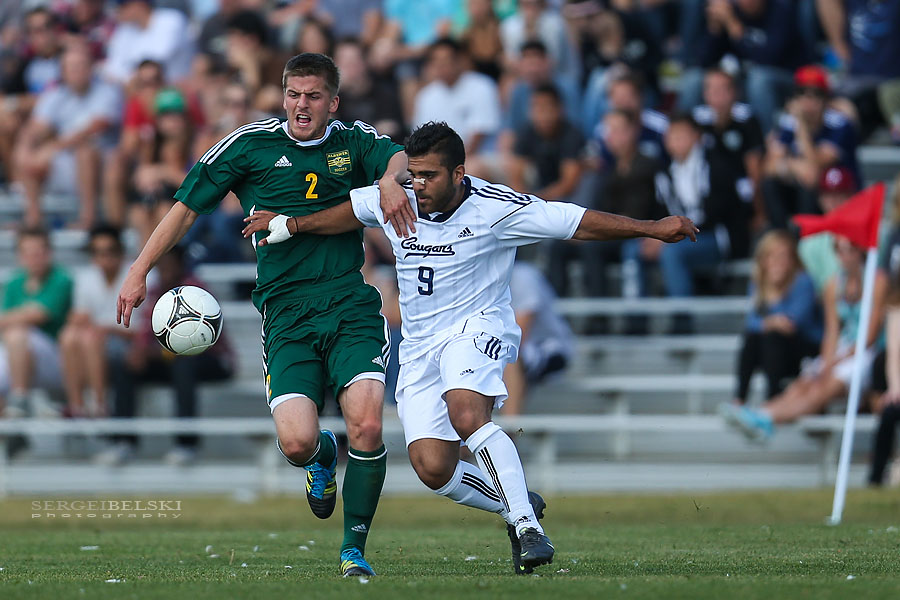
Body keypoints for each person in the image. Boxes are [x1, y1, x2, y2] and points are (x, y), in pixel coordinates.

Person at [242, 121, 697, 574]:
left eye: (429, 176)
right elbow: (347, 211)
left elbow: (574, 223)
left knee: (466, 415)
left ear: (459, 173)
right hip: (420, 346)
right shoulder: (397, 197)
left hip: (475, 327)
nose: (417, 185)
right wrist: (290, 223)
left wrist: (652, 228)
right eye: (413, 174)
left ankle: (526, 527)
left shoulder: (496, 208)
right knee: (432, 467)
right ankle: (516, 501)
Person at [116, 52, 414, 578]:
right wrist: (140, 268)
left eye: (314, 96)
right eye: (294, 94)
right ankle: (322, 456)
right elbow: (186, 206)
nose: (303, 105)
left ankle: (353, 550)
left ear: (333, 102)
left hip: (348, 302)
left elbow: (398, 157)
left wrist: (391, 178)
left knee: (367, 424)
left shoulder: (353, 141)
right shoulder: (249, 145)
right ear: (283, 97)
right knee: (297, 442)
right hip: (286, 316)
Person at [722, 236, 888, 441]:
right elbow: (832, 332)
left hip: (868, 352)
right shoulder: (834, 285)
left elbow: (869, 337)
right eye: (840, 251)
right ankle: (762, 412)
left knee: (823, 388)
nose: (844, 257)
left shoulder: (877, 281)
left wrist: (835, 362)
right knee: (804, 383)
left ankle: (767, 416)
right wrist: (827, 361)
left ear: (860, 252)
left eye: (850, 251)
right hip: (845, 348)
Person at [99, 245, 234, 466]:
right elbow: (145, 331)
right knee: (124, 365)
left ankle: (186, 443)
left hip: (211, 360)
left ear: (180, 264)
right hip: (170, 359)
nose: (165, 269)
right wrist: (139, 353)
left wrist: (152, 353)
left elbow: (198, 341)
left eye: (170, 263)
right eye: (161, 264)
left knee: (184, 364)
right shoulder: (155, 292)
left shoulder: (194, 290)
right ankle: (123, 441)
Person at [762, 65, 859, 230]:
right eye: (801, 93)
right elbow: (768, 167)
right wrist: (793, 165)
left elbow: (814, 171)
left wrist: (801, 125)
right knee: (770, 184)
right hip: (806, 191)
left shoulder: (840, 124)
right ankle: (781, 236)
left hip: (839, 197)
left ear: (825, 99)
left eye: (815, 94)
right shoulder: (788, 123)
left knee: (809, 186)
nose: (808, 100)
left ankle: (804, 237)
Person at [733, 231, 821, 406]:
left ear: (792, 260)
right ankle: (739, 398)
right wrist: (772, 321)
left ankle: (772, 399)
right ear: (763, 260)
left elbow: (792, 323)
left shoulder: (803, 282)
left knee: (772, 337)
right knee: (752, 339)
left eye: (783, 256)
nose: (777, 262)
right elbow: (752, 322)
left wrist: (770, 316)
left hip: (806, 350)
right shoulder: (758, 283)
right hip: (775, 348)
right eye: (771, 256)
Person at [59, 224, 133, 419]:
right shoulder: (86, 277)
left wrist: (102, 327)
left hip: (127, 341)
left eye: (109, 251)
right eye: (98, 252)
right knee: (69, 337)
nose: (104, 257)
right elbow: (80, 316)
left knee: (87, 337)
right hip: (100, 337)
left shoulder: (138, 276)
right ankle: (79, 405)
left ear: (120, 251)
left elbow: (140, 328)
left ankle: (97, 402)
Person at [0, 227, 73, 419]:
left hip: (55, 356)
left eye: (39, 252)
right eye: (28, 253)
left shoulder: (61, 279)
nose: (34, 258)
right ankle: (13, 431)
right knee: (15, 337)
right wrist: (23, 314)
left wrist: (18, 317)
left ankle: (20, 398)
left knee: (16, 334)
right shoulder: (15, 282)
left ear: (48, 252)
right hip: (22, 354)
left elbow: (39, 315)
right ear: (20, 255)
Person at [503, 261, 573, 415]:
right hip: (526, 349)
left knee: (508, 356)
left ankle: (510, 429)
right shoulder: (486, 278)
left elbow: (518, 335)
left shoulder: (523, 276)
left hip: (550, 347)